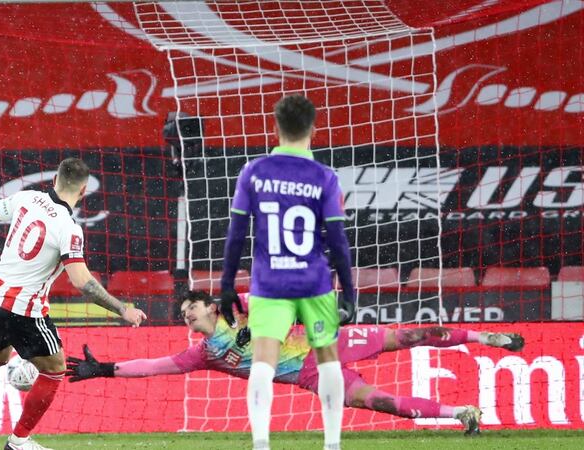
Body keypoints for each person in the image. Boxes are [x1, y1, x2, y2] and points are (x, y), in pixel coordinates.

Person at [0, 157, 146, 450]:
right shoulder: (69, 229)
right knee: (55, 369)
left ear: (55, 180)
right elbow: (83, 282)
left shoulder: (28, 198)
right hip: (23, 309)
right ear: (83, 191)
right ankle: (18, 442)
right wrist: (123, 309)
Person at [66, 291, 526, 435]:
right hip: (312, 376)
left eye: (193, 306)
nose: (186, 312)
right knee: (381, 403)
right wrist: (104, 369)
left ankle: (490, 336)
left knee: (410, 334)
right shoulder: (203, 353)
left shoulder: (241, 306)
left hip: (328, 341)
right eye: (184, 309)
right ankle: (461, 414)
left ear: (212, 308)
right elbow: (154, 366)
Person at [220, 94, 356, 450]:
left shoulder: (254, 171)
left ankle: (262, 444)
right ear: (313, 129)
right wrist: (351, 293)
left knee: (264, 361)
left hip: (269, 283)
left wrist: (225, 286)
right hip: (315, 282)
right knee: (327, 359)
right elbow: (338, 242)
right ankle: (331, 444)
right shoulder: (324, 177)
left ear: (275, 127)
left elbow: (235, 234)